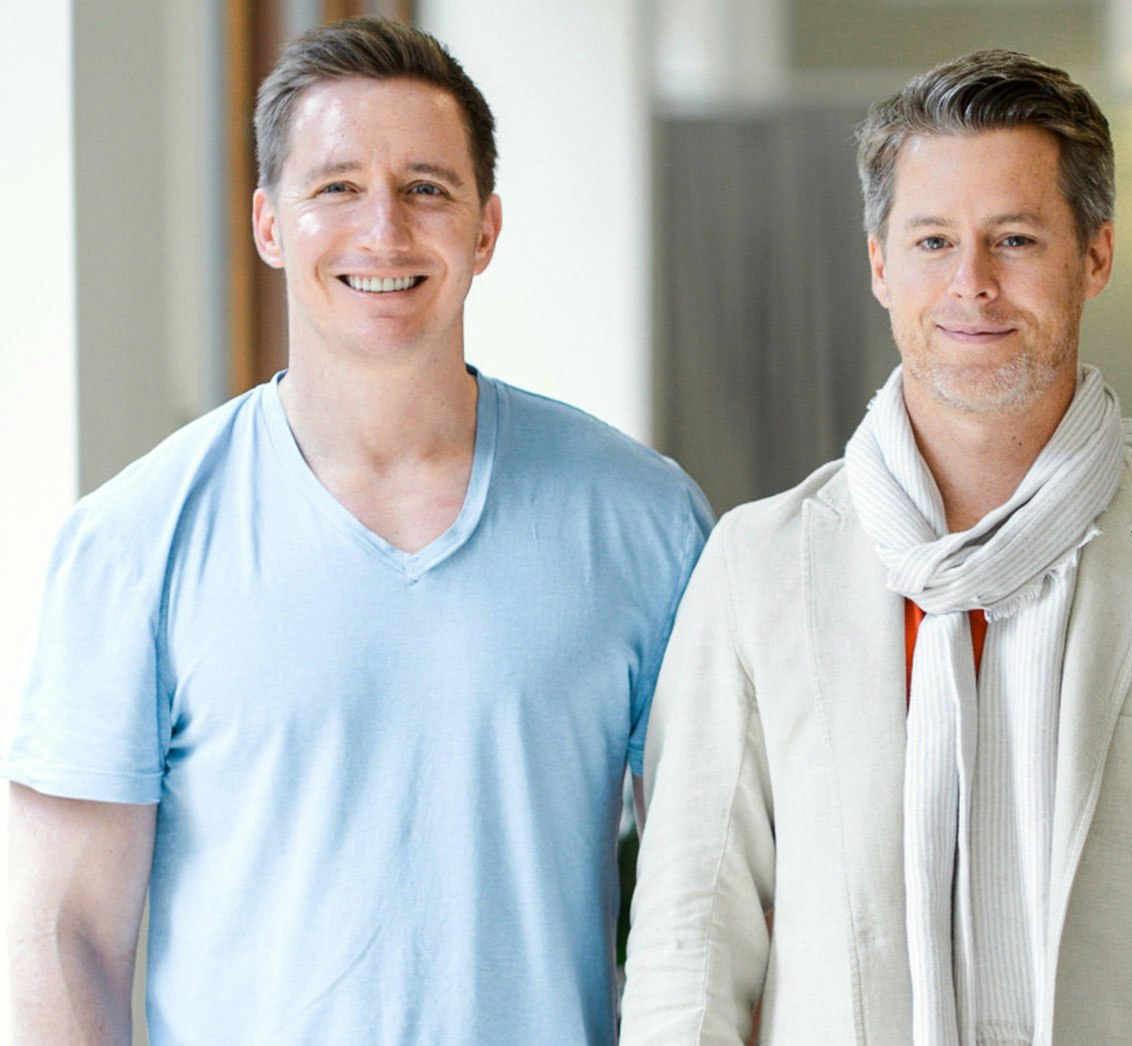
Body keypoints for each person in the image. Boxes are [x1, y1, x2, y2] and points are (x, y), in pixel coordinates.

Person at [621, 49, 1132, 1045]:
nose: (972, 283)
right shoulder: (756, 564)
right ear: (880, 264)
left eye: (1015, 239)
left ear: (1095, 256)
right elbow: (689, 949)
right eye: (933, 241)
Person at [7, 17, 709, 1044]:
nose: (384, 230)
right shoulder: (132, 543)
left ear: (485, 229)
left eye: (426, 187)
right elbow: (62, 937)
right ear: (269, 224)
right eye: (336, 187)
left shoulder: (645, 523)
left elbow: (718, 904)